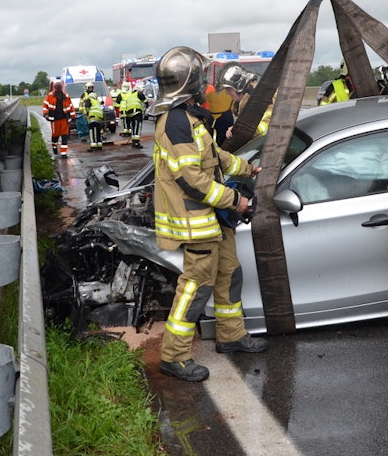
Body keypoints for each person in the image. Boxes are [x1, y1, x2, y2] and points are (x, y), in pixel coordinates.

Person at [152, 46, 267, 382]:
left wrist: (248, 168)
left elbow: (215, 158)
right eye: (202, 78)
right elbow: (193, 181)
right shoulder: (176, 124)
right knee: (196, 287)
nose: (208, 85)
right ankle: (174, 356)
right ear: (190, 83)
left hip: (212, 221)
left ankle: (232, 337)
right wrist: (236, 201)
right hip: (195, 223)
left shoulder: (189, 118)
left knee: (229, 274)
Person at [216, 62, 272, 140]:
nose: (227, 93)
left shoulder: (261, 97)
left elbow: (268, 125)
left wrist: (243, 132)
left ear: (239, 86)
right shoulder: (243, 102)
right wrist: (234, 130)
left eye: (228, 89)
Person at [41, 81, 75, 159]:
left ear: (61, 88)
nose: (59, 89)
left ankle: (63, 152)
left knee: (64, 136)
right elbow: (45, 105)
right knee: (55, 135)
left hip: (64, 119)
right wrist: (45, 114)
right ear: (55, 88)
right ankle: (54, 146)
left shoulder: (66, 96)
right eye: (57, 88)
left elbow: (71, 106)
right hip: (54, 119)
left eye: (60, 88)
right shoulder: (50, 96)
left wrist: (73, 117)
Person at [114, 81, 146, 147]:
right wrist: (144, 105)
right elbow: (145, 101)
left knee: (133, 127)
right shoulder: (138, 93)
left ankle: (134, 142)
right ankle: (136, 143)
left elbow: (118, 102)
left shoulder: (130, 95)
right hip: (137, 112)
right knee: (137, 127)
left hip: (129, 113)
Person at [80, 83, 105, 151]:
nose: (91, 89)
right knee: (97, 131)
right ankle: (99, 144)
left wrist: (88, 112)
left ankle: (93, 146)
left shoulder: (91, 98)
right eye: (89, 87)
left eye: (92, 87)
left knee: (92, 131)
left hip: (91, 116)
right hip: (97, 117)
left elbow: (87, 106)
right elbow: (81, 104)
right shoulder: (85, 95)